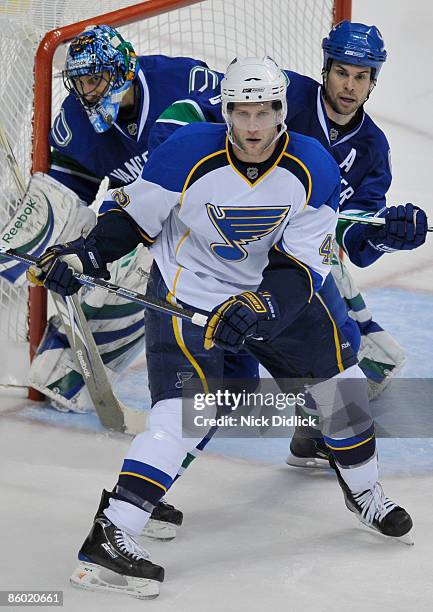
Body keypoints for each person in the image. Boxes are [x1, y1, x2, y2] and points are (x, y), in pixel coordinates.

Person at [31, 56, 412, 599]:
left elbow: (303, 264)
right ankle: (112, 534)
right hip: (191, 293)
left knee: (343, 391)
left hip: (284, 296)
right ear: (225, 112)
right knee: (187, 413)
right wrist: (86, 255)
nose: (252, 127)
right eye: (240, 112)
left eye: (264, 112)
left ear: (282, 112)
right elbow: (133, 221)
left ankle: (365, 491)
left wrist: (261, 307)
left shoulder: (314, 169)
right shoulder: (184, 153)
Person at [147, 21, 429, 468]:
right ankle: (155, 477)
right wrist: (164, 174)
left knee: (339, 350)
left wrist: (387, 235)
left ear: (373, 82)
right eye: (342, 73)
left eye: (361, 76)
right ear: (325, 69)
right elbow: (191, 111)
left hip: (290, 268)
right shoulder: (284, 95)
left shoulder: (373, 148)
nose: (349, 86)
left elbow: (352, 244)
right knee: (218, 387)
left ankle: (314, 435)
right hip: (219, 251)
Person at [10, 24, 220, 540]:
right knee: (200, 398)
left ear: (124, 70)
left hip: (230, 232)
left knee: (315, 349)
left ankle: (350, 447)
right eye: (79, 83)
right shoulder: (80, 122)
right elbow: (65, 197)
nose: (88, 93)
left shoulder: (181, 83)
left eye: (98, 80)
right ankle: (137, 504)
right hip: (167, 251)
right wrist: (25, 250)